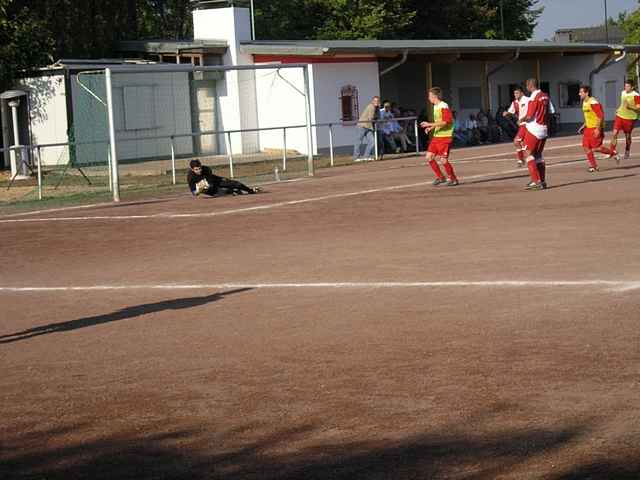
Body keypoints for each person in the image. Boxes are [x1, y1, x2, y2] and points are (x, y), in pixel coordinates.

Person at [420, 87, 459, 186]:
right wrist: (431, 128)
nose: (428, 98)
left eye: (429, 96)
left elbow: (445, 122)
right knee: (429, 157)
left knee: (443, 160)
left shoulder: (443, 106)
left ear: (434, 96)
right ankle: (441, 177)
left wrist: (429, 124)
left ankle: (453, 179)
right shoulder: (435, 107)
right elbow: (439, 122)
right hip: (437, 136)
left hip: (445, 137)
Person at [577, 85, 616, 173]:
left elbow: (600, 116)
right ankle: (594, 166)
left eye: (581, 92)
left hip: (596, 127)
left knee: (597, 148)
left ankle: (613, 153)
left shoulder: (593, 102)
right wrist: (584, 125)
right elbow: (589, 116)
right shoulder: (584, 102)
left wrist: (598, 129)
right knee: (586, 147)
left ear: (586, 93)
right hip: (588, 128)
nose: (579, 94)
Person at [522, 78, 550, 190]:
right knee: (538, 155)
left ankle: (536, 181)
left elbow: (529, 116)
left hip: (534, 129)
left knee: (527, 153)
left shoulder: (533, 97)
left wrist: (521, 120)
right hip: (544, 129)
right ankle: (542, 181)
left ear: (530, 85)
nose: (526, 88)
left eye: (526, 86)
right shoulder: (545, 96)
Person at [606, 79, 640, 162]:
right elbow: (623, 104)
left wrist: (630, 107)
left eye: (628, 86)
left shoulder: (636, 95)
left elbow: (639, 108)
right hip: (620, 116)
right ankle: (611, 152)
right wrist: (619, 109)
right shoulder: (623, 92)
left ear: (632, 87)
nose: (626, 88)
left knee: (627, 136)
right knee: (614, 133)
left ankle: (627, 150)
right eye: (625, 86)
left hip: (630, 118)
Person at [187, 159, 260, 197]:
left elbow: (212, 181)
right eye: (196, 169)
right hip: (209, 189)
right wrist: (199, 190)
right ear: (192, 169)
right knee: (228, 192)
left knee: (236, 184)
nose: (199, 170)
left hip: (214, 180)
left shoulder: (206, 169)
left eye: (200, 168)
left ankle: (250, 190)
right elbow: (194, 192)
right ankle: (232, 191)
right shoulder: (190, 177)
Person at [503, 86, 530, 167]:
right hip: (522, 126)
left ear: (522, 93)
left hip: (528, 124)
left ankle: (521, 160)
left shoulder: (528, 100)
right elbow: (510, 111)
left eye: (517, 93)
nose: (515, 95)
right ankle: (525, 159)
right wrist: (506, 113)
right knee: (521, 143)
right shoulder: (514, 103)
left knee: (517, 141)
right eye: (514, 93)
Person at [353, 96, 380, 162]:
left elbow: (377, 117)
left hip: (369, 127)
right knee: (358, 141)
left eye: (377, 101)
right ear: (372, 101)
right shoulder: (371, 107)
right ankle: (356, 157)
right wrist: (376, 119)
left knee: (372, 142)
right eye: (375, 101)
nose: (376, 102)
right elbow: (371, 118)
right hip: (362, 126)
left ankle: (366, 156)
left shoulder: (377, 108)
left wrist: (377, 115)